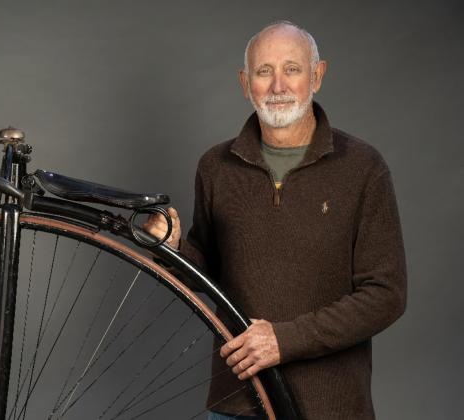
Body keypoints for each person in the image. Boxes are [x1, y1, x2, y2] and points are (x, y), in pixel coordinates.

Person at [144, 21, 407, 419]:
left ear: (317, 76)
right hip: (237, 404)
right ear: (244, 83)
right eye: (264, 72)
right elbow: (206, 271)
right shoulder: (216, 167)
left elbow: (386, 295)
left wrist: (285, 340)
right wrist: (171, 249)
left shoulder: (363, 168)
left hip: (332, 407)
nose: (278, 86)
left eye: (292, 69)